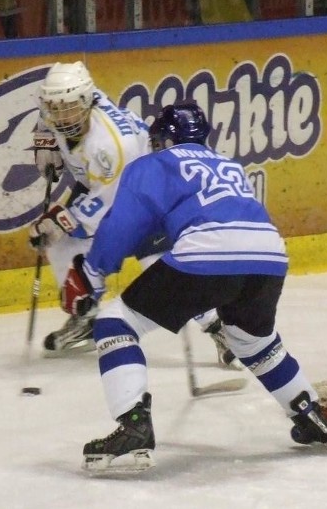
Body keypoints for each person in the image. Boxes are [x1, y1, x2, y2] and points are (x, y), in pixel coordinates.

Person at [58, 103, 327, 471]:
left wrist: (91, 275)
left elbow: (123, 225)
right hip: (269, 255)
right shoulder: (227, 164)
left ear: (166, 139)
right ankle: (307, 410)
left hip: (209, 251)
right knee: (253, 341)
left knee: (115, 324)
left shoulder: (154, 163)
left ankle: (132, 424)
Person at [28, 61, 236, 368]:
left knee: (161, 270)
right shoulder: (74, 101)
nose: (61, 116)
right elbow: (51, 113)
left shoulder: (110, 144)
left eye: (68, 110)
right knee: (60, 245)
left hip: (146, 191)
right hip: (104, 183)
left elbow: (109, 205)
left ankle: (222, 329)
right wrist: (44, 140)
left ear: (86, 103)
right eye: (55, 109)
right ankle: (87, 318)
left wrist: (61, 221)